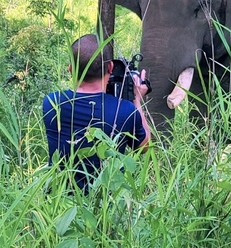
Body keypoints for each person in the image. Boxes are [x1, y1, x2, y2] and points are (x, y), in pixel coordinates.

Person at [42, 34, 151, 192]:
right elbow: (144, 147)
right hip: (105, 206)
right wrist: (136, 100)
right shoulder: (126, 110)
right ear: (110, 68)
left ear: (70, 69)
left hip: (58, 205)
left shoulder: (52, 103)